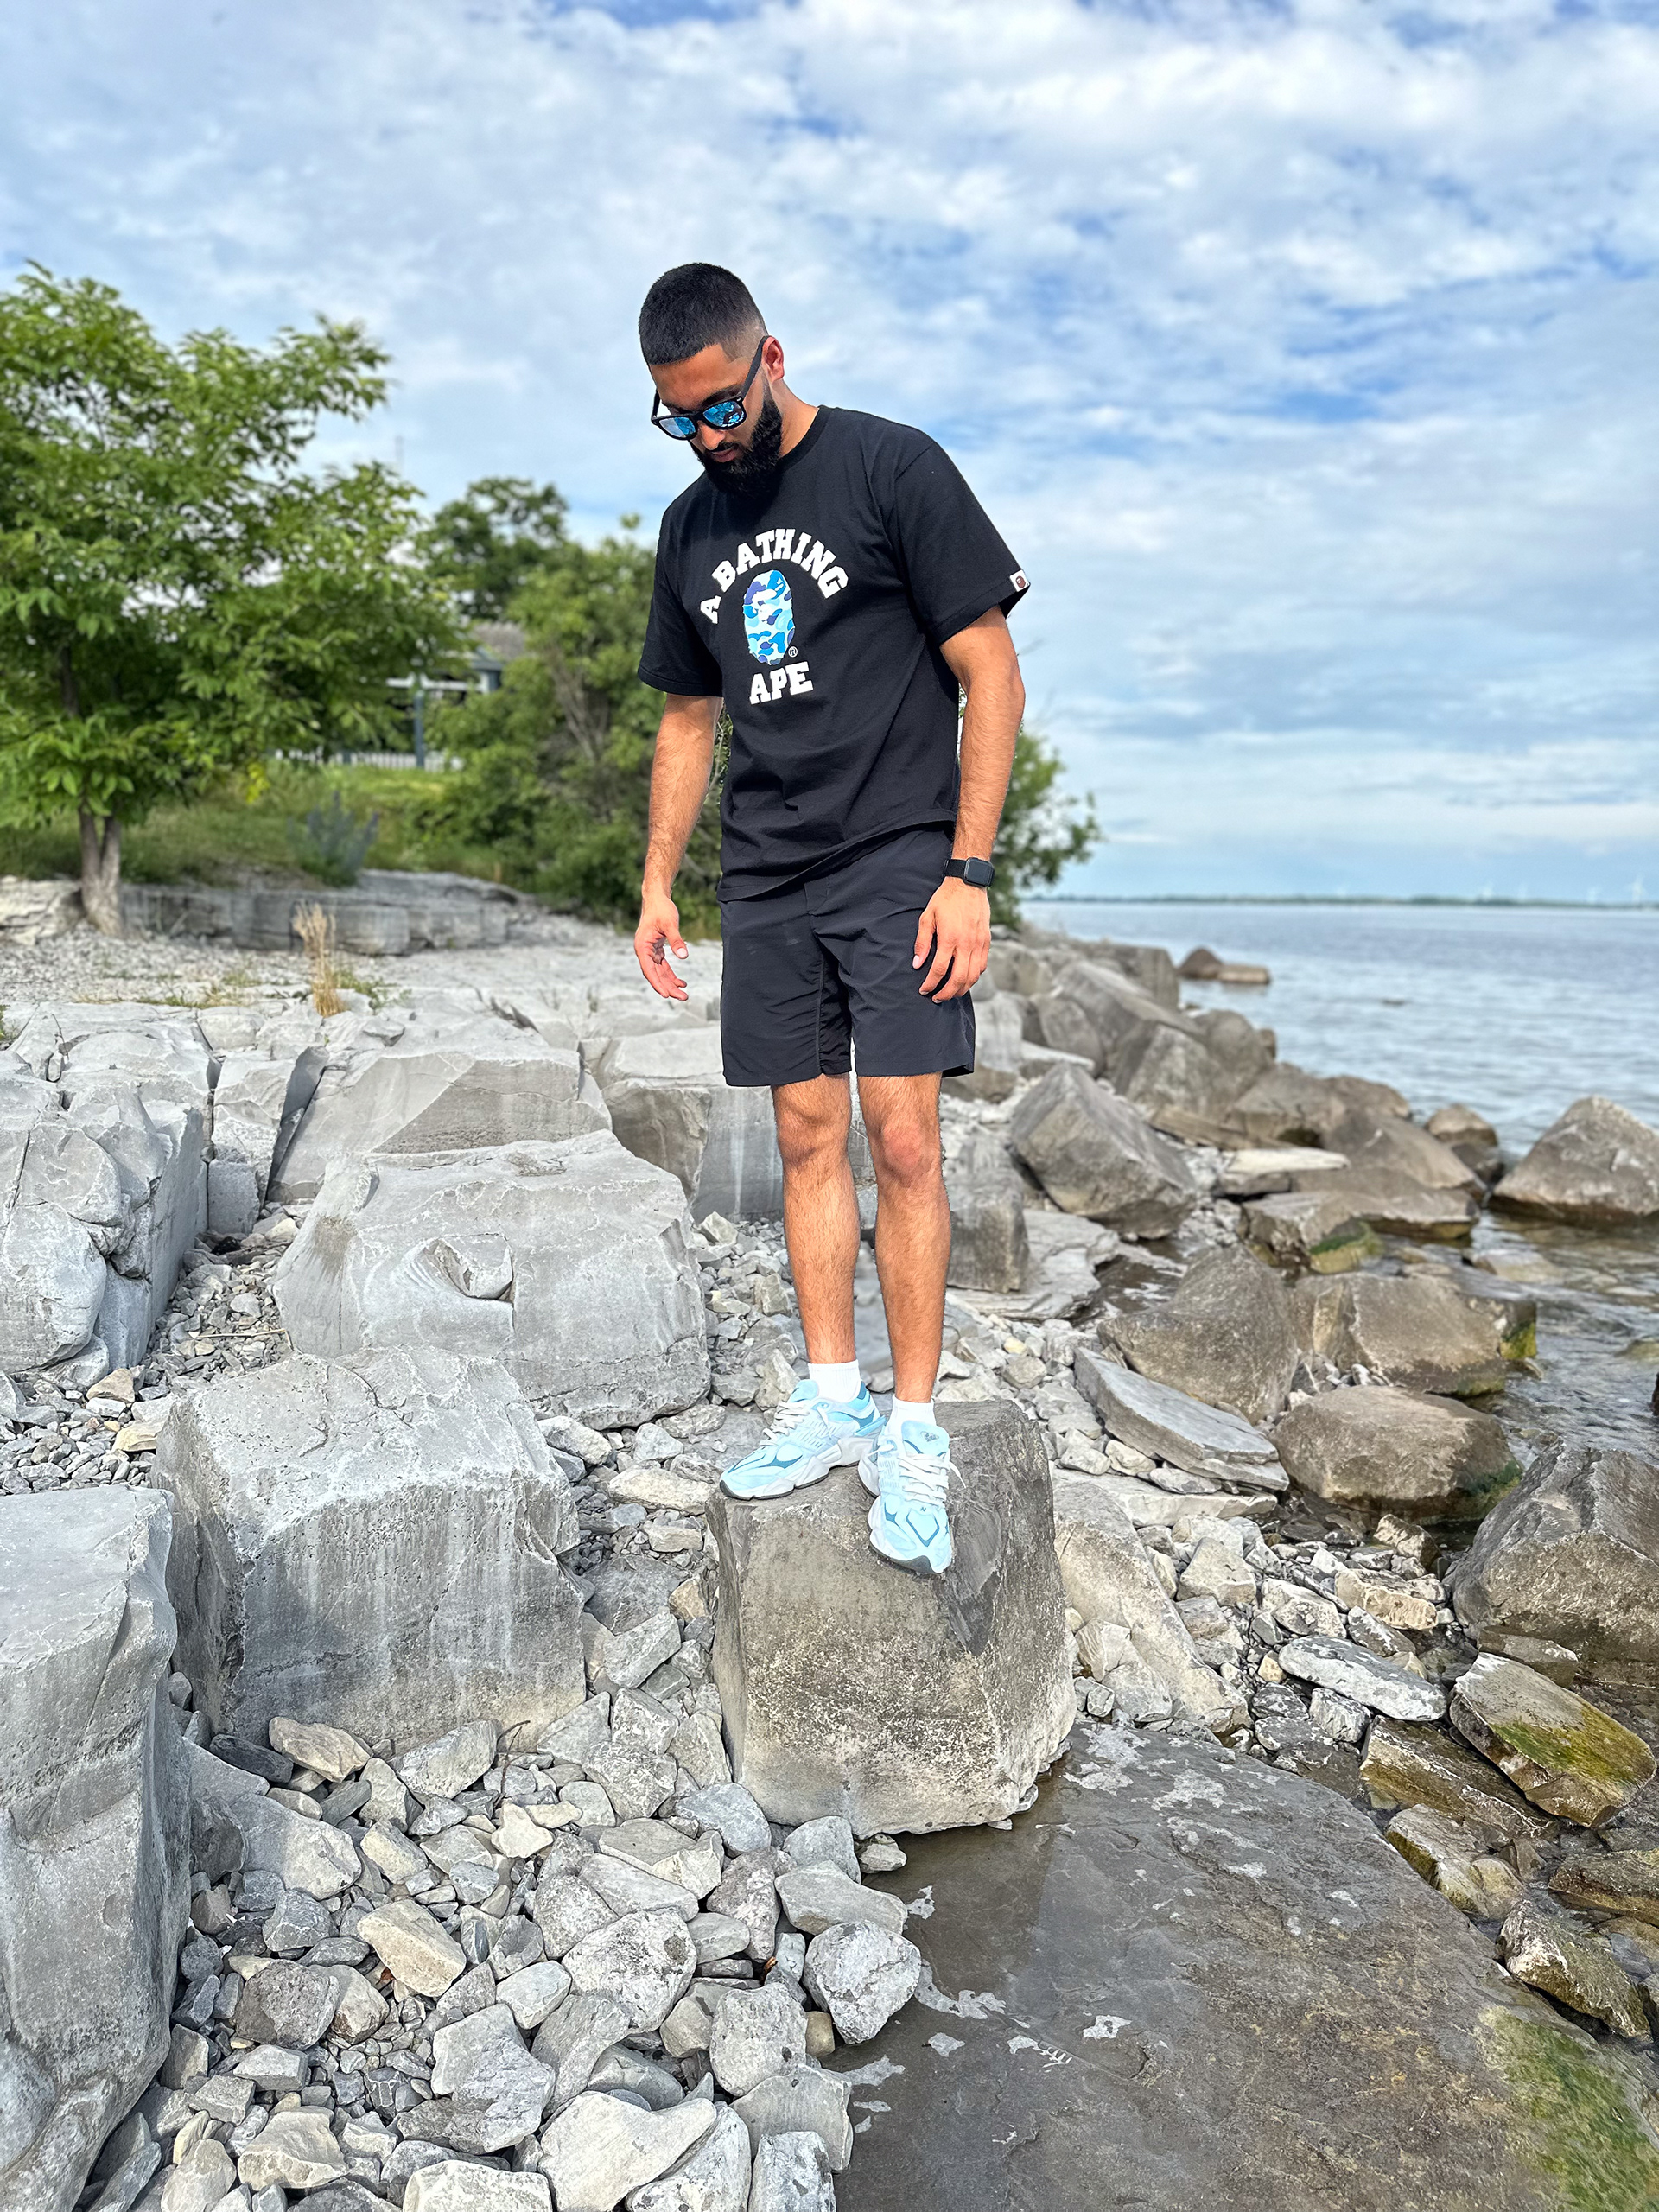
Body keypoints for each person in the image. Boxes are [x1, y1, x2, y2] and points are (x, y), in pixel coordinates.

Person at [632, 262, 1027, 1576]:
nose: (706, 434)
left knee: (902, 1139)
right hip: (771, 872)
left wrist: (968, 873)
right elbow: (689, 721)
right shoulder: (690, 530)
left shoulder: (890, 469)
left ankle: (916, 1426)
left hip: (904, 855)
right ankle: (832, 1395)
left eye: (718, 406)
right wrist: (657, 884)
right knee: (806, 1136)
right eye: (676, 417)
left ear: (771, 357)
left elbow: (990, 667)